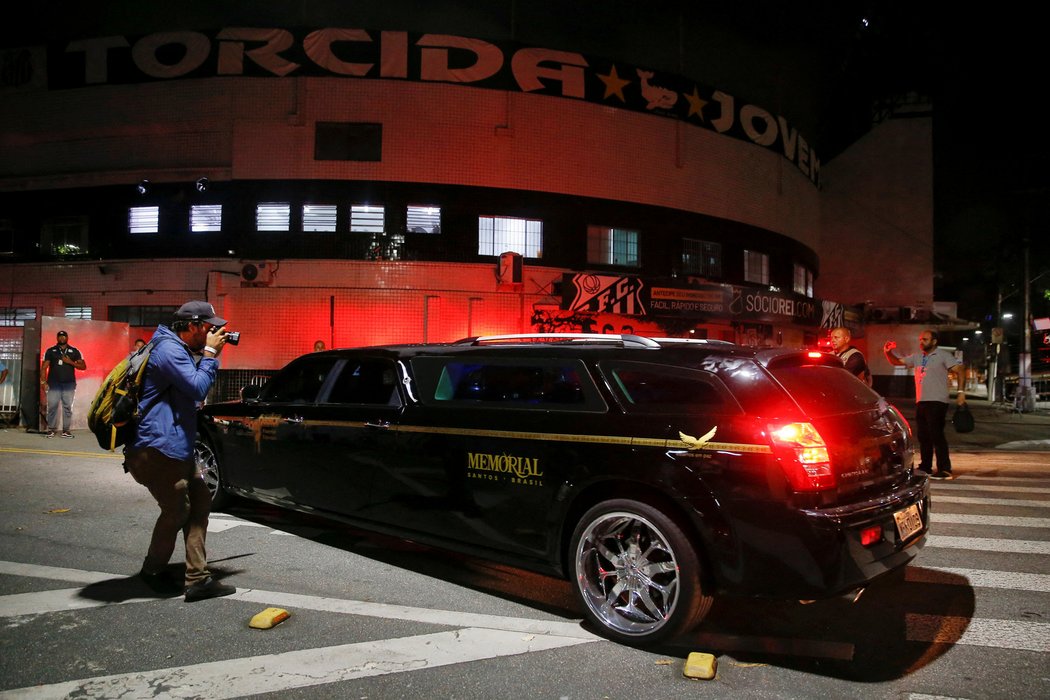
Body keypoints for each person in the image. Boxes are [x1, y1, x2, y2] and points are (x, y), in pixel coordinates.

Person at [124, 300, 237, 602]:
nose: (213, 331)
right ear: (193, 326)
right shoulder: (168, 350)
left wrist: (208, 353)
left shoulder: (178, 348)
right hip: (158, 448)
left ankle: (198, 579)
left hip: (177, 447)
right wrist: (211, 354)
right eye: (209, 327)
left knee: (200, 503)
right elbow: (198, 388)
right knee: (178, 511)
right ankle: (152, 572)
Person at [884, 329, 965, 479]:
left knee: (936, 435)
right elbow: (896, 361)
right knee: (923, 436)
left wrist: (961, 392)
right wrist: (888, 352)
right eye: (920, 339)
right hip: (922, 401)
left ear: (934, 341)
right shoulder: (918, 357)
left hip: (937, 400)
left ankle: (945, 469)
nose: (921, 342)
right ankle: (925, 466)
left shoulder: (943, 356)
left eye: (925, 340)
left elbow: (960, 370)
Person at [40, 330, 87, 438]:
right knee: (52, 407)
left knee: (67, 408)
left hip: (69, 384)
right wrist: (43, 381)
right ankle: (51, 430)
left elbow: (83, 366)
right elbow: (44, 367)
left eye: (64, 336)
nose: (62, 338)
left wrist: (69, 362)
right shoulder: (51, 351)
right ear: (57, 338)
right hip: (54, 384)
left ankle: (66, 431)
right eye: (60, 336)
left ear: (67, 338)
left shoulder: (74, 351)